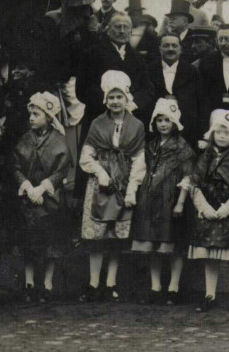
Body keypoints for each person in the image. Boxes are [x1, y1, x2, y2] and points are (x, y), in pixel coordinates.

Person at [78, 71, 146, 302]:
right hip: (100, 186)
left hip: (123, 184)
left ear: (127, 98)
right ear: (105, 99)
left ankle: (111, 283)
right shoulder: (97, 124)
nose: (115, 102)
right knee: (98, 237)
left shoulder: (136, 126)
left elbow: (139, 160)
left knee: (115, 237)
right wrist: (100, 172)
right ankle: (93, 283)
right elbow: (86, 156)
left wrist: (131, 189)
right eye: (111, 97)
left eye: (119, 97)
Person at [184, 109, 229, 313]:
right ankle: (210, 294)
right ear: (212, 133)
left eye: (227, 132)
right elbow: (194, 184)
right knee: (211, 255)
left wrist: (228, 207)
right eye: (219, 132)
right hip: (210, 213)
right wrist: (204, 207)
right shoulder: (205, 157)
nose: (222, 136)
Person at [132, 98, 195, 305]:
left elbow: (188, 177)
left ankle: (174, 287)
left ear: (175, 122)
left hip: (171, 201)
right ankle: (155, 286)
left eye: (167, 120)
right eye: (159, 120)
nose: (163, 124)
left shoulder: (183, 148)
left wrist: (180, 203)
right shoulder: (150, 147)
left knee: (172, 244)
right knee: (154, 246)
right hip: (150, 201)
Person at [11, 92, 71, 303]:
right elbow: (16, 166)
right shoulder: (24, 139)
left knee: (50, 243)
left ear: (48, 116)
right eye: (31, 114)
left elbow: (62, 169)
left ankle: (47, 283)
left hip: (50, 200)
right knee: (28, 241)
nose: (32, 118)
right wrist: (27, 186)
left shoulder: (59, 140)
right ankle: (28, 283)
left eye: (37, 114)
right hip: (28, 200)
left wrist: (43, 188)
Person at [76, 13, 155, 133]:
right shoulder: (91, 54)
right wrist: (111, 104)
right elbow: (83, 89)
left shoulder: (137, 58)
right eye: (118, 27)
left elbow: (147, 89)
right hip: (98, 119)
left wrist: (133, 104)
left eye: (126, 27)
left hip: (130, 120)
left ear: (130, 31)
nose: (122, 31)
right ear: (108, 29)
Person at [148, 33, 205, 148]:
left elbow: (201, 102)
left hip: (185, 128)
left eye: (174, 46)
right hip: (157, 130)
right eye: (166, 45)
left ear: (180, 49)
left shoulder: (191, 71)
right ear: (159, 49)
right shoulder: (149, 70)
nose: (170, 49)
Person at [164, 0, 198, 64]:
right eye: (169, 19)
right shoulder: (165, 38)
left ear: (185, 21)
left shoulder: (194, 38)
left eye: (174, 18)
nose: (170, 21)